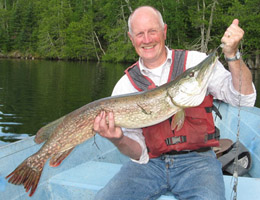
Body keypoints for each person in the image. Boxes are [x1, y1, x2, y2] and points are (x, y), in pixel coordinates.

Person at [93, 6, 256, 200]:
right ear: (131, 38)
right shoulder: (124, 86)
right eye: (140, 34)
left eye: (153, 31)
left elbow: (243, 99)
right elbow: (138, 152)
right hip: (149, 164)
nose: (147, 39)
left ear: (164, 31)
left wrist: (233, 56)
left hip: (199, 162)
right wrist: (117, 139)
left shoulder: (195, 61)